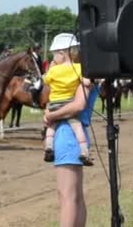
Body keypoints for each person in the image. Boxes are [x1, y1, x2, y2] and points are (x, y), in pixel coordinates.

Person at [43, 73, 99, 227]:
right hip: (68, 135)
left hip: (69, 135)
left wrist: (50, 115)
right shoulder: (75, 77)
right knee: (73, 196)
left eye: (57, 55)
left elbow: (78, 105)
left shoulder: (82, 76)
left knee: (68, 196)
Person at [42, 33, 92, 166]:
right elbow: (86, 82)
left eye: (54, 54)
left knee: (51, 127)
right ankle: (84, 150)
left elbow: (45, 80)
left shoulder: (53, 70)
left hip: (53, 104)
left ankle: (48, 146)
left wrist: (51, 68)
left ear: (61, 53)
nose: (53, 58)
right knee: (77, 127)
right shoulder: (78, 68)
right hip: (68, 103)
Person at [30, 42, 45, 106]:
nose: (41, 50)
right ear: (36, 49)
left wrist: (43, 73)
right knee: (37, 85)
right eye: (40, 49)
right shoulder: (31, 57)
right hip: (32, 74)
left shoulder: (38, 56)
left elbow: (40, 66)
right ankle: (34, 101)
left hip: (39, 74)